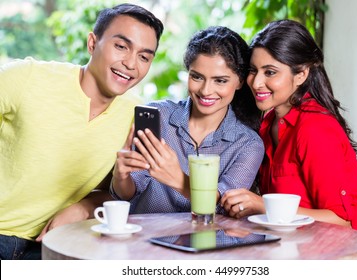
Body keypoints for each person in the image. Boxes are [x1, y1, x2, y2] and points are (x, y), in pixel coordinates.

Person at [0, 3, 164, 260]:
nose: (131, 63)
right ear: (92, 43)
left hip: (55, 244)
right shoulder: (26, 77)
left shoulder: (135, 116)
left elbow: (119, 192)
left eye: (144, 56)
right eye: (121, 46)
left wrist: (84, 206)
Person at [221, 19, 357, 259]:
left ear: (301, 74)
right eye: (252, 70)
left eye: (270, 72)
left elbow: (340, 221)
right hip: (305, 250)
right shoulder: (268, 125)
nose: (256, 82)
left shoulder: (314, 127)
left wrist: (261, 205)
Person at [110, 26, 264, 214]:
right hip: (147, 238)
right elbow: (127, 193)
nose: (206, 90)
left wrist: (179, 179)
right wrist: (121, 177)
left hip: (208, 241)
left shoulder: (247, 144)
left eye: (220, 81)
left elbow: (226, 207)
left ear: (239, 81)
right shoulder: (159, 116)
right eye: (197, 77)